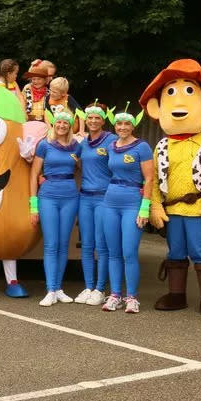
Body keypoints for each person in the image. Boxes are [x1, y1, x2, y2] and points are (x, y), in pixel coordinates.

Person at [142, 59, 201, 316]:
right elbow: (154, 179)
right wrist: (155, 205)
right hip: (172, 210)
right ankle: (176, 294)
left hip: (199, 207)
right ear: (157, 109)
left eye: (189, 92)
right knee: (175, 251)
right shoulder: (161, 146)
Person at [101, 105, 154, 313]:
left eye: (127, 124)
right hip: (110, 201)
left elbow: (149, 178)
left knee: (129, 252)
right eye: (119, 123)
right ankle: (115, 295)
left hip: (132, 201)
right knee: (113, 252)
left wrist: (145, 208)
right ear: (115, 126)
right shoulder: (112, 146)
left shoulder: (142, 147)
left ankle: (131, 297)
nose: (123, 127)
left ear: (133, 126)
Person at [29, 110, 81, 306]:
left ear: (70, 126)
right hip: (48, 195)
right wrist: (33, 205)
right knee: (51, 244)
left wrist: (80, 162)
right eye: (59, 122)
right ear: (54, 124)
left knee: (63, 243)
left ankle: (59, 288)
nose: (62, 125)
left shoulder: (77, 146)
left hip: (70, 195)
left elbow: (85, 169)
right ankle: (50, 290)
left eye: (65, 123)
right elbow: (34, 174)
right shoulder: (44, 145)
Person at [74, 102, 115, 305]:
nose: (93, 121)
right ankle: (88, 287)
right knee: (87, 244)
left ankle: (100, 289)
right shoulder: (82, 143)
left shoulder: (112, 140)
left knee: (102, 244)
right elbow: (78, 164)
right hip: (85, 197)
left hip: (104, 198)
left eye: (97, 118)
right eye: (89, 117)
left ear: (103, 119)